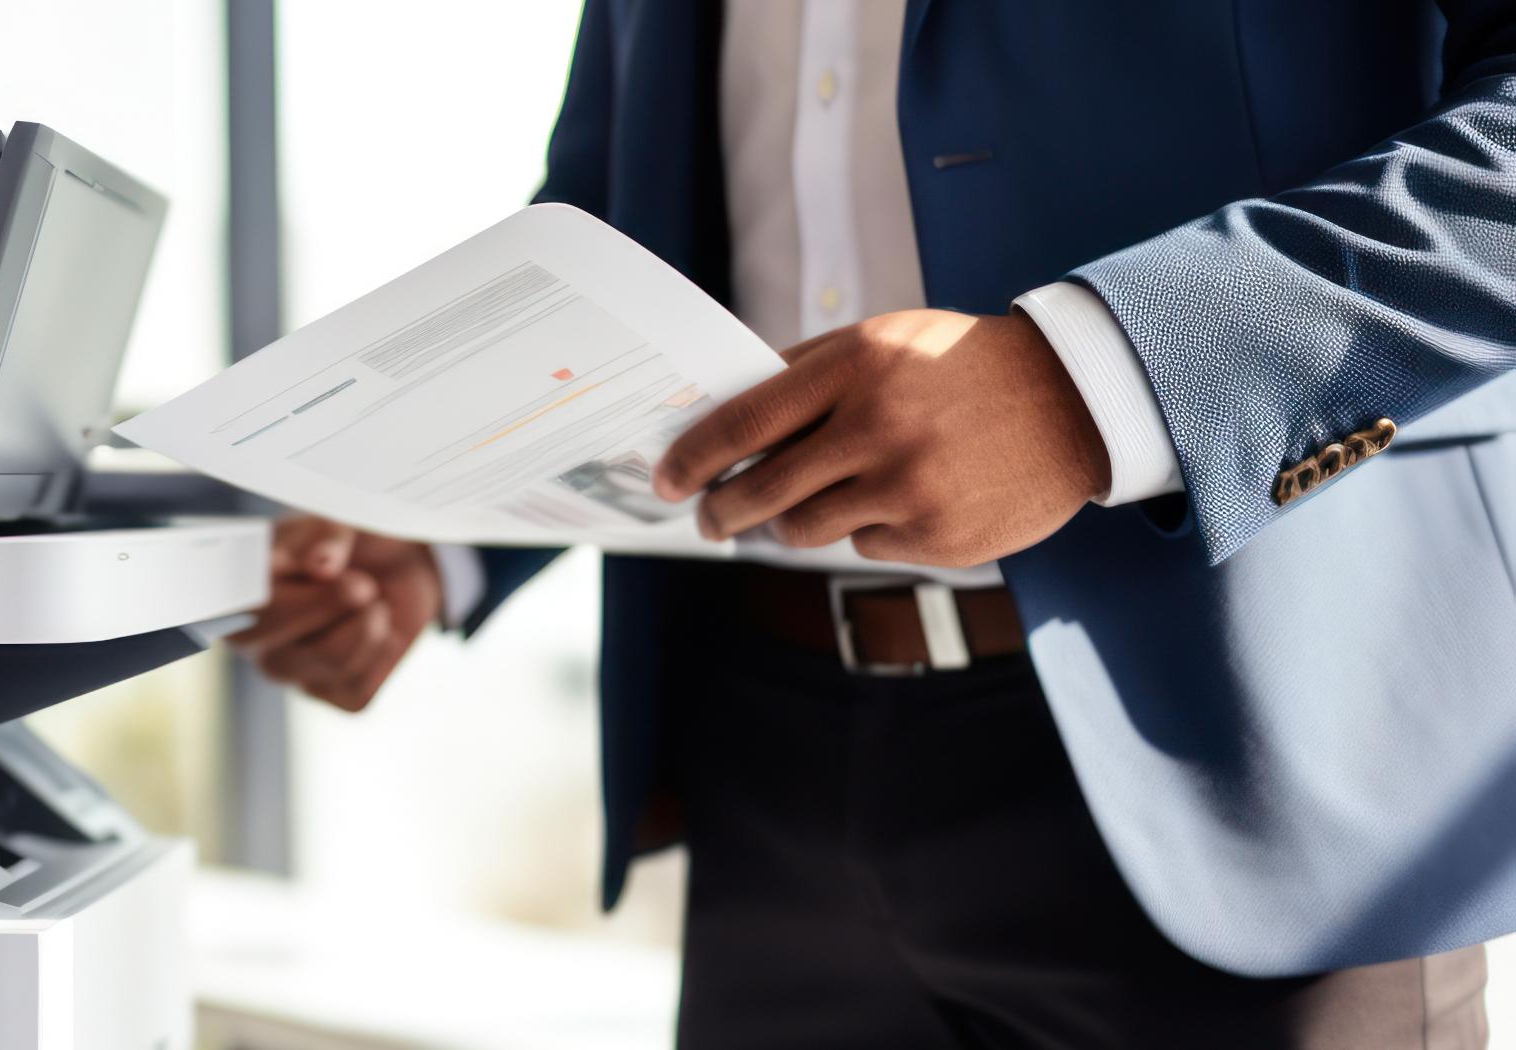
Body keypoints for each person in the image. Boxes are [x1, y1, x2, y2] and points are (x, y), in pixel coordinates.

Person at [234, 2, 1516, 1046]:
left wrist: (1091, 380)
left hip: (1249, 743)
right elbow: (635, 204)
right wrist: (449, 531)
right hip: (770, 777)